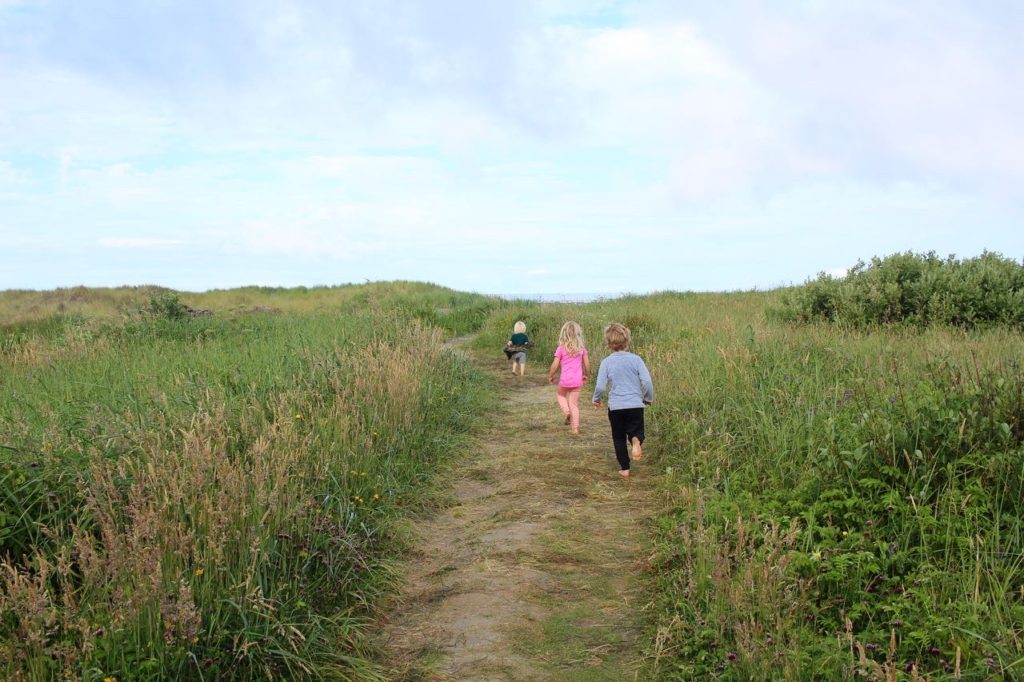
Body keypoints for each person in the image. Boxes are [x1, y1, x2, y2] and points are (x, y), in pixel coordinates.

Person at [592, 322, 653, 478]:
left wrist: (596, 399)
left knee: (618, 437)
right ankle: (636, 441)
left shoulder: (606, 362)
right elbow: (646, 382)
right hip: (635, 404)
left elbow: (600, 386)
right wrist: (647, 398)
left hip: (616, 407)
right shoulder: (636, 360)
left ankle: (625, 468)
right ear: (627, 341)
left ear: (608, 343)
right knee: (637, 430)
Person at [548, 321, 590, 434]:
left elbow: (555, 364)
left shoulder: (561, 348)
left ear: (563, 334)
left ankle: (567, 412)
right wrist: (586, 375)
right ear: (578, 334)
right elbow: (587, 364)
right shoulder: (581, 349)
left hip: (564, 381)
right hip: (577, 381)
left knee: (560, 395)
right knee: (574, 404)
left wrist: (551, 375)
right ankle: (575, 429)